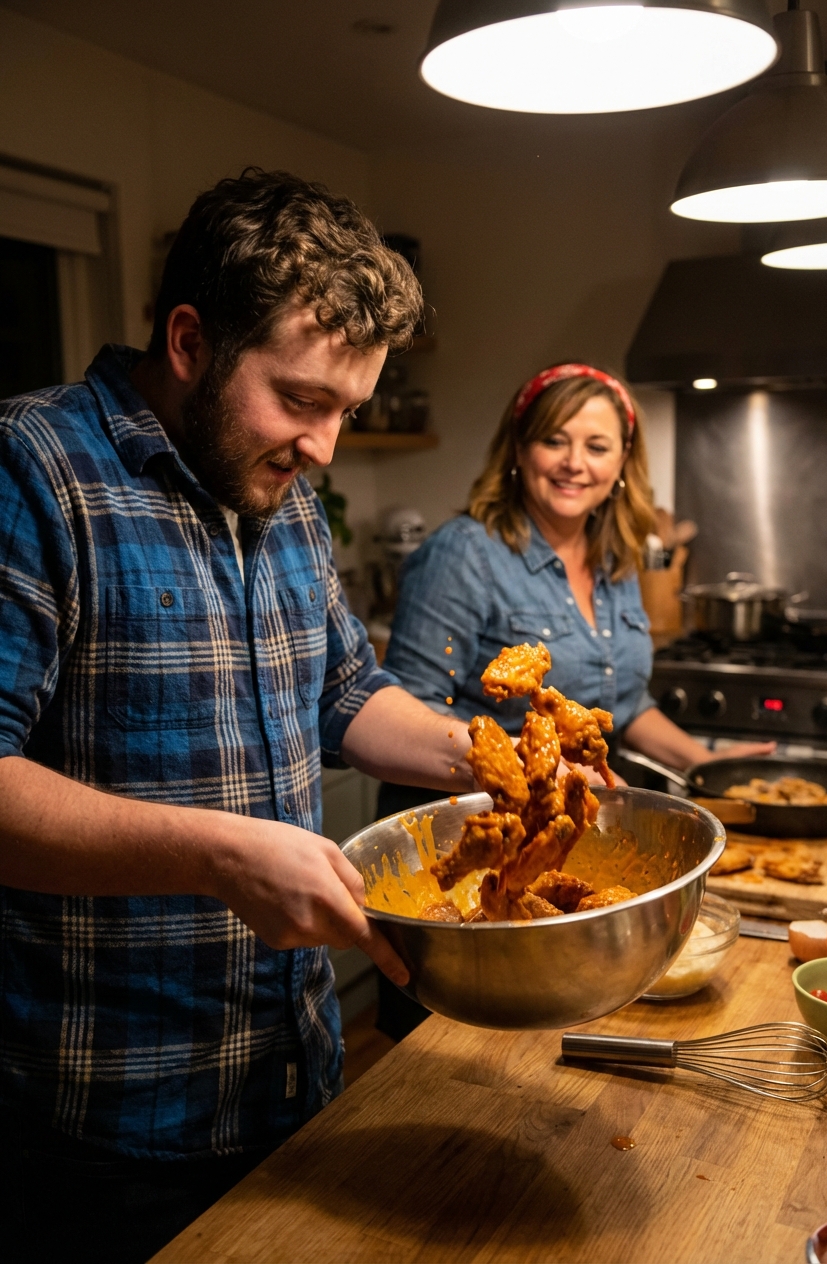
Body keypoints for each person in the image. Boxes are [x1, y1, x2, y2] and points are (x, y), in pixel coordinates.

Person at [0, 170, 477, 1264]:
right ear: (187, 341)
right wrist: (217, 855)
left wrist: (481, 758)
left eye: (345, 412)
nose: (324, 447)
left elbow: (344, 693)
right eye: (301, 400)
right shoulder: (33, 471)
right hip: (103, 1125)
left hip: (292, 1075)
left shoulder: (282, 490)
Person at [376, 361, 773, 1036]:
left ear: (622, 462)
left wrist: (706, 759)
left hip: (564, 849)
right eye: (554, 440)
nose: (573, 463)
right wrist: (530, 776)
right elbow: (404, 710)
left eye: (596, 446)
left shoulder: (615, 557)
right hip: (464, 878)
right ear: (519, 448)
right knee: (453, 1071)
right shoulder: (462, 553)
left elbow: (624, 700)